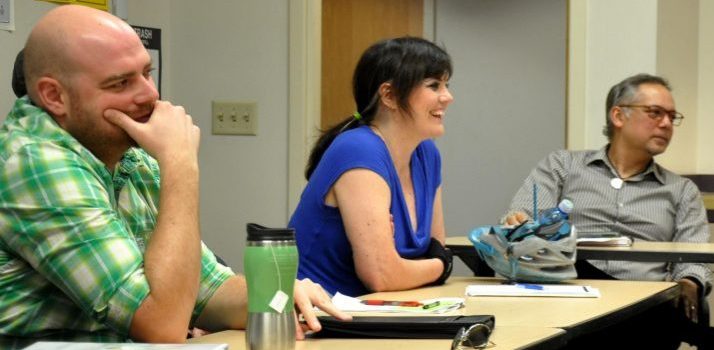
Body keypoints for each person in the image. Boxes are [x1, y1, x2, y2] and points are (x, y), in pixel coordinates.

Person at [0, 5, 348, 346]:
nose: (150, 94)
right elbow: (163, 324)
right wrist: (180, 163)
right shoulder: (33, 161)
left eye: (146, 73)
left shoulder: (129, 154)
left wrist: (275, 294)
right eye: (120, 83)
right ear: (53, 96)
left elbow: (207, 291)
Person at [502, 74, 714, 349]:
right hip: (568, 301)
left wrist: (689, 282)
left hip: (644, 311)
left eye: (672, 117)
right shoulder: (562, 166)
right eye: (655, 113)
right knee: (564, 262)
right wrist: (518, 220)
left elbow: (694, 256)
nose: (666, 124)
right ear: (618, 115)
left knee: (641, 310)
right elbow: (524, 220)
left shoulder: (681, 190)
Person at [290, 37, 454, 297]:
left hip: (379, 310)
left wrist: (436, 263)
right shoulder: (359, 149)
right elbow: (381, 275)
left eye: (446, 85)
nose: (448, 97)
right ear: (389, 95)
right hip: (318, 318)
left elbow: (434, 252)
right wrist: (441, 266)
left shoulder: (426, 153)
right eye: (434, 85)